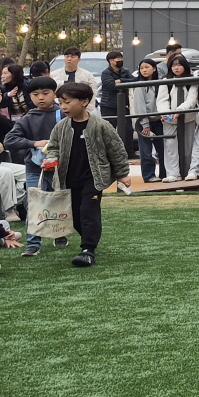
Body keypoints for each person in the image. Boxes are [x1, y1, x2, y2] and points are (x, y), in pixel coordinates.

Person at [49, 81, 130, 267]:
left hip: (94, 178)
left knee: (88, 211)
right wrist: (51, 159)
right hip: (68, 178)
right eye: (61, 103)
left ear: (84, 101)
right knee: (75, 214)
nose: (63, 107)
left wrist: (122, 173)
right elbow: (53, 147)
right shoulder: (60, 127)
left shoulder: (101, 125)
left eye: (67, 102)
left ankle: (88, 249)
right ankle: (88, 239)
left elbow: (116, 149)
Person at [160, 54, 199, 180]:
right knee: (170, 146)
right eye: (173, 65)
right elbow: (162, 100)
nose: (176, 68)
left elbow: (192, 99)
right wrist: (165, 112)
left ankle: (188, 172)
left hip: (188, 118)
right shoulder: (166, 81)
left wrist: (180, 110)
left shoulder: (192, 81)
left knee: (188, 147)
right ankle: (173, 173)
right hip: (169, 121)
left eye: (179, 65)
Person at [128, 59, 164, 183]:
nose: (143, 70)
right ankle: (149, 175)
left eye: (146, 67)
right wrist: (144, 124)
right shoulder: (140, 85)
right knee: (145, 150)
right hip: (144, 121)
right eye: (141, 68)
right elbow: (140, 106)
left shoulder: (160, 83)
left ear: (154, 68)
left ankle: (164, 174)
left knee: (163, 149)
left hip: (160, 120)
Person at [95, 49, 130, 154]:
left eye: (121, 58)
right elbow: (109, 85)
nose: (120, 60)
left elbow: (135, 80)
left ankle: (128, 151)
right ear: (111, 61)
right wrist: (119, 82)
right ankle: (109, 152)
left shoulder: (125, 71)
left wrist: (120, 81)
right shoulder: (106, 73)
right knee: (109, 130)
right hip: (109, 105)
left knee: (127, 129)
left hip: (124, 105)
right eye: (117, 59)